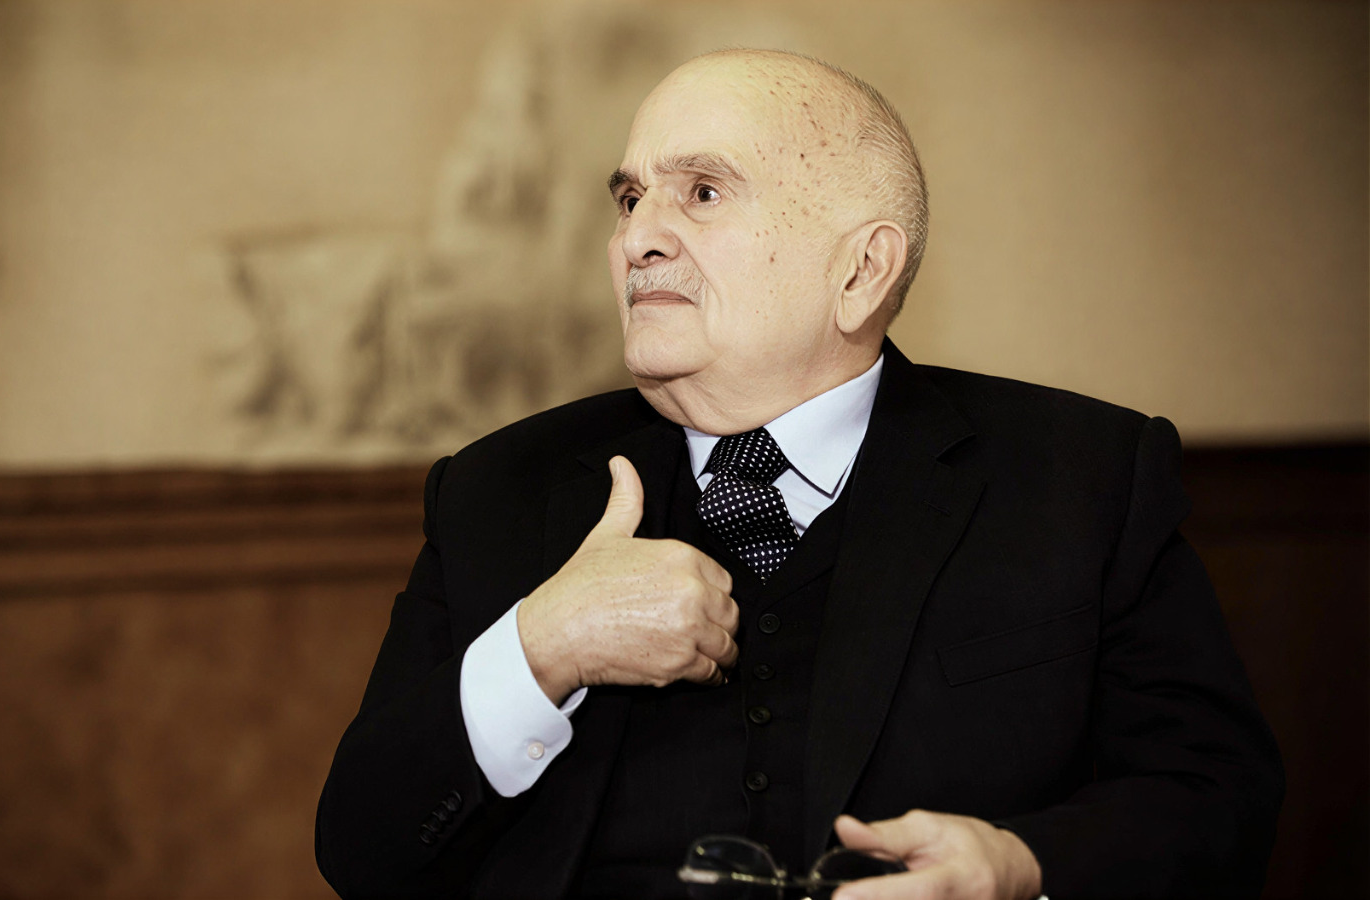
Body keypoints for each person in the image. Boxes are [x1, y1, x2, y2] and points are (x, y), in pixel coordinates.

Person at [315, 49, 1283, 900]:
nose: (636, 237)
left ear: (861, 272)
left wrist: (1021, 866)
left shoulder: (1083, 480)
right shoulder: (495, 492)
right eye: (629, 198)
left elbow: (1217, 801)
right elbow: (363, 852)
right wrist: (544, 646)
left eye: (702, 192)